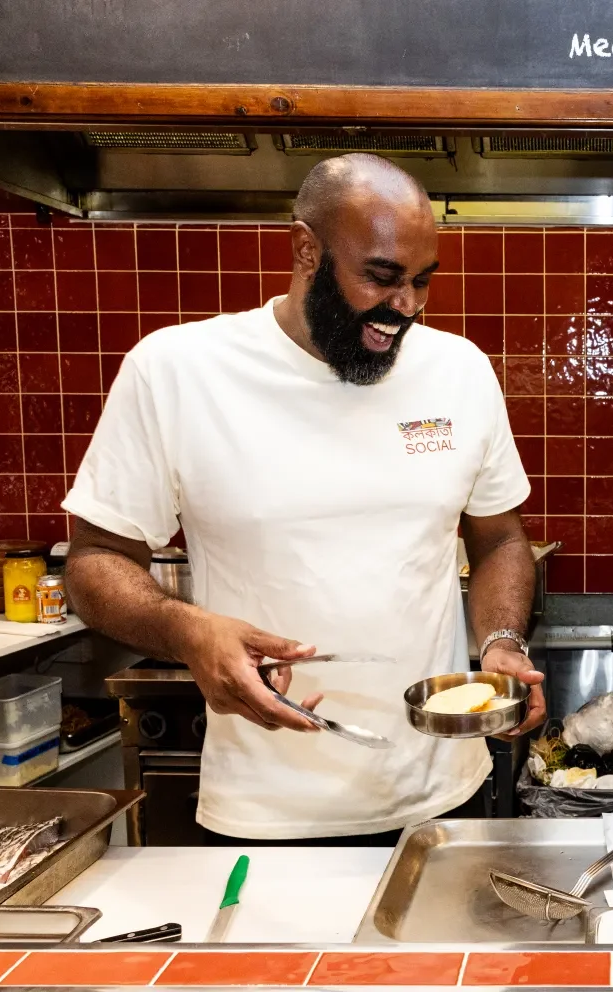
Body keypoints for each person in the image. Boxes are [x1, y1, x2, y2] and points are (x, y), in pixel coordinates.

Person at [63, 154, 544, 844]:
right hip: (265, 811)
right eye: (380, 277)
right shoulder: (176, 370)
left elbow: (498, 539)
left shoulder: (458, 371)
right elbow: (94, 560)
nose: (404, 308)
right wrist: (187, 630)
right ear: (304, 249)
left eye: (421, 282)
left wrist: (499, 642)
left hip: (440, 799)